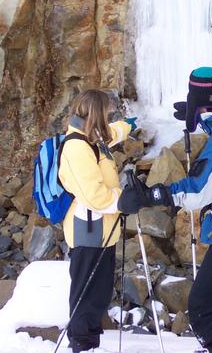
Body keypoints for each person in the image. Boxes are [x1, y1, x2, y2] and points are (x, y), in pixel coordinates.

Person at [119, 67, 212, 353]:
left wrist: (154, 194)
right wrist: (198, 113)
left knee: (203, 310)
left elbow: (199, 190)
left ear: (199, 96)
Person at [58, 89, 135, 353]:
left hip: (102, 231)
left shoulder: (92, 138)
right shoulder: (76, 147)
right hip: (88, 230)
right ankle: (81, 345)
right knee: (85, 296)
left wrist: (129, 125)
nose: (109, 116)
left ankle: (89, 344)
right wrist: (124, 199)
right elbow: (95, 196)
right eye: (106, 112)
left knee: (99, 294)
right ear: (95, 114)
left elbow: (112, 133)